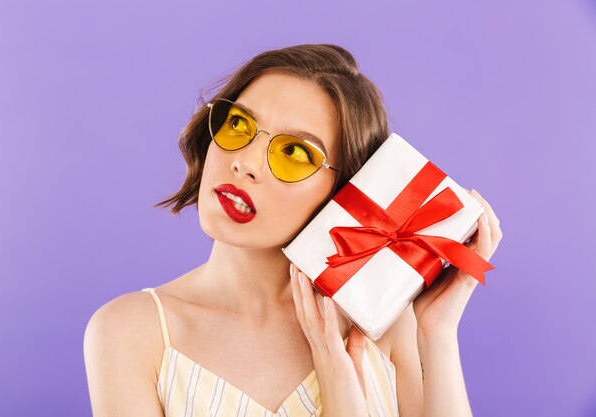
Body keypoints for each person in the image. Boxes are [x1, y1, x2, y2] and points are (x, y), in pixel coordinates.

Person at [83, 43, 503, 417]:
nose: (245, 162)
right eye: (237, 126)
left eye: (294, 152)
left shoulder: (387, 328)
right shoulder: (130, 332)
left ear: (345, 189)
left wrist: (439, 334)